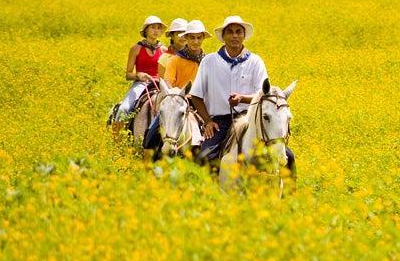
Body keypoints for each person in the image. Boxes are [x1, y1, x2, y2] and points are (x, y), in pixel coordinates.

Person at [190, 15, 295, 174]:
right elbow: (196, 95)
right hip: (220, 122)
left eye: (239, 32)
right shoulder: (209, 61)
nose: (234, 36)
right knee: (205, 157)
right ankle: (209, 195)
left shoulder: (255, 61)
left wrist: (242, 98)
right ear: (223, 37)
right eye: (230, 32)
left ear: (244, 35)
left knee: (288, 157)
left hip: (250, 118)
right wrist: (208, 121)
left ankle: (288, 196)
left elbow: (263, 94)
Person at [143, 20, 211, 151]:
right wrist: (179, 94)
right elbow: (168, 82)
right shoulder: (175, 60)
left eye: (199, 38)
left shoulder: (208, 60)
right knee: (153, 130)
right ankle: (148, 150)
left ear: (203, 38)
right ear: (186, 38)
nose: (196, 41)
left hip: (200, 101)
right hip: (177, 100)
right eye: (192, 37)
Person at [112, 15, 166, 131]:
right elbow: (128, 74)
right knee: (124, 109)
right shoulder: (136, 49)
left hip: (159, 84)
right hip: (141, 84)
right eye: (153, 27)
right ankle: (116, 140)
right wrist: (138, 75)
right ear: (146, 30)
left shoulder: (164, 50)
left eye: (158, 28)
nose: (156, 31)